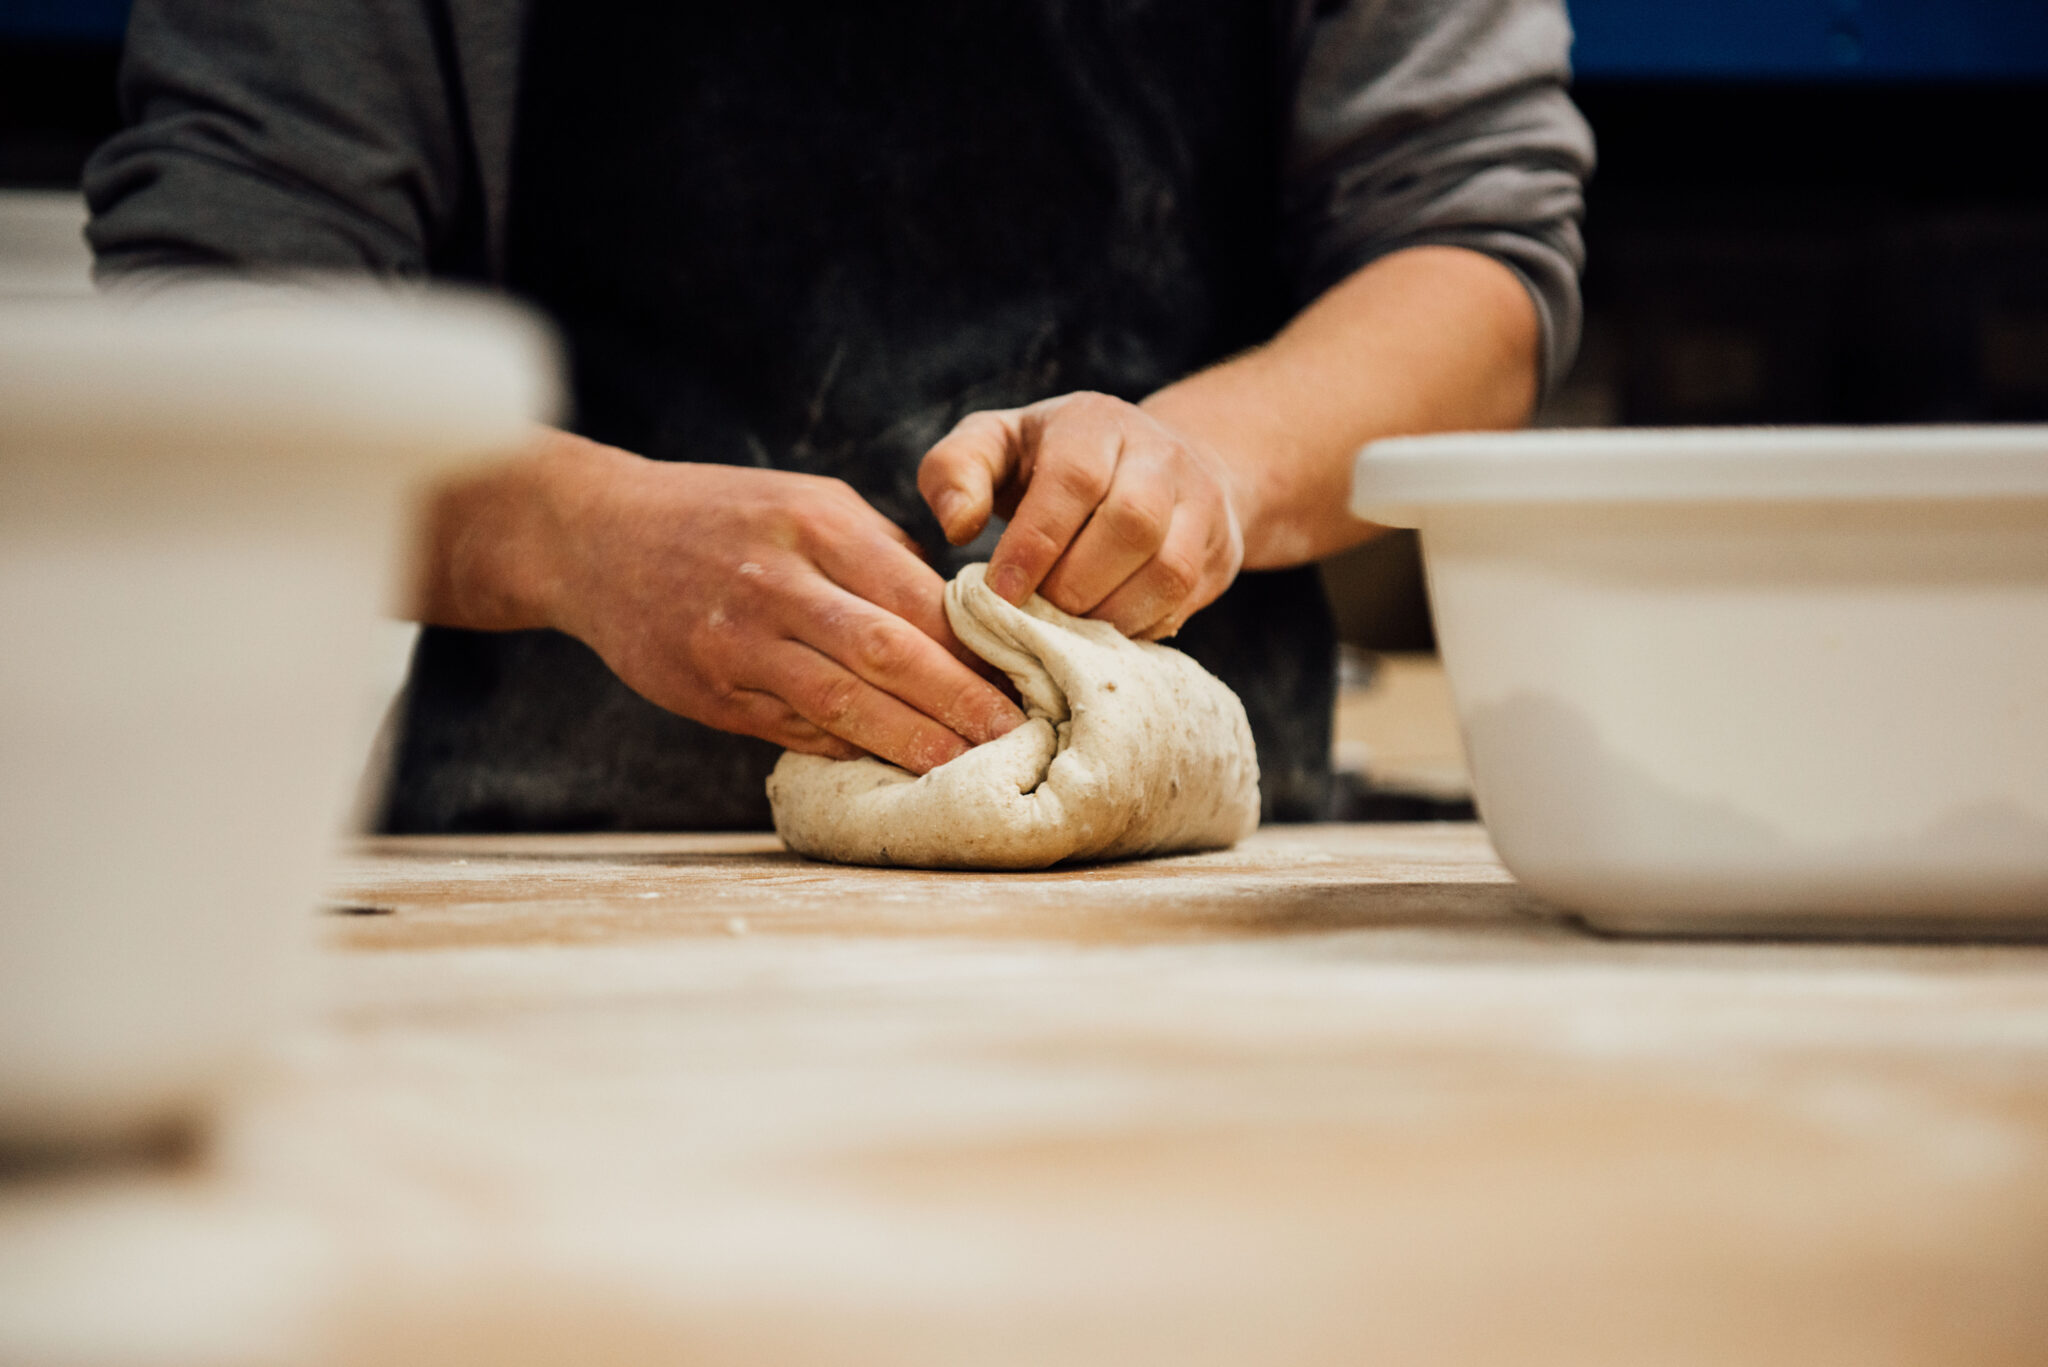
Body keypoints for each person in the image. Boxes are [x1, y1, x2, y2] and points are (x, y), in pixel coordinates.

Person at [84, 0, 1593, 832]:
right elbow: (216, 316)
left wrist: (1210, 466)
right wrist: (558, 532)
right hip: (551, 878)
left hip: (1189, 903)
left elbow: (1471, 259)